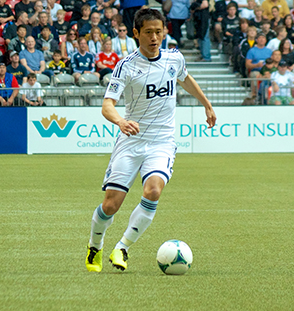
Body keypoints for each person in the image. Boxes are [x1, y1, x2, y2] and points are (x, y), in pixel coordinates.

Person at [85, 8, 216, 273]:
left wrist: (207, 105)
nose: (154, 37)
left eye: (158, 31)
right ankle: (94, 247)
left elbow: (185, 79)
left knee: (153, 191)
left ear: (165, 31)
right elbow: (107, 105)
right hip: (131, 142)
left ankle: (122, 247)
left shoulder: (174, 58)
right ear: (136, 33)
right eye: (148, 32)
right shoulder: (126, 66)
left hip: (162, 142)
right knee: (111, 204)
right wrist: (121, 121)